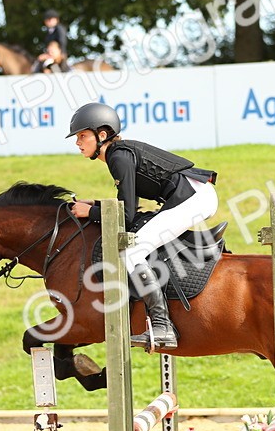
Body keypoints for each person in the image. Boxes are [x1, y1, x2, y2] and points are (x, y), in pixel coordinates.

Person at [67, 102, 218, 349]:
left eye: (82, 135)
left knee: (132, 250)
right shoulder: (118, 154)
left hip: (194, 198)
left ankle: (162, 327)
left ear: (101, 135)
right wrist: (95, 204)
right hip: (193, 195)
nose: (78, 142)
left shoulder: (118, 156)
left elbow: (125, 216)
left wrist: (90, 212)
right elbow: (126, 204)